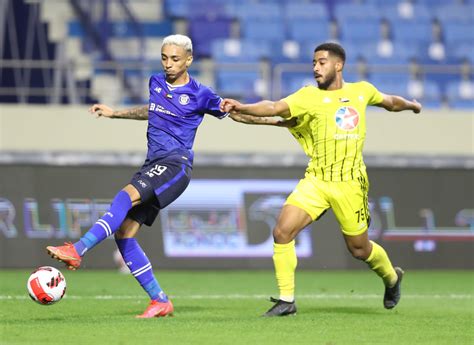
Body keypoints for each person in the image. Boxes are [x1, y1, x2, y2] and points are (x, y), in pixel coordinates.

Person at [221, 42, 422, 317]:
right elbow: (275, 107)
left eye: (322, 62)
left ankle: (392, 278)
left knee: (360, 250)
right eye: (314, 63)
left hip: (350, 183)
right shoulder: (307, 97)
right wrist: (243, 108)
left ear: (338, 65)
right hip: (316, 180)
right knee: (282, 232)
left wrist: (411, 105)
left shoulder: (361, 91)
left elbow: (389, 102)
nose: (316, 67)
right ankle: (286, 300)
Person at [46, 34, 229, 318]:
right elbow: (152, 111)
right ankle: (160, 301)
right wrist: (115, 113)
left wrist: (271, 116)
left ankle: (78, 249)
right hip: (152, 163)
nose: (168, 64)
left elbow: (236, 112)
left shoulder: (201, 93)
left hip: (175, 164)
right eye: (164, 58)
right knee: (124, 235)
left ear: (189, 60)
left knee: (125, 195)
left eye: (175, 59)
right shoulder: (156, 82)